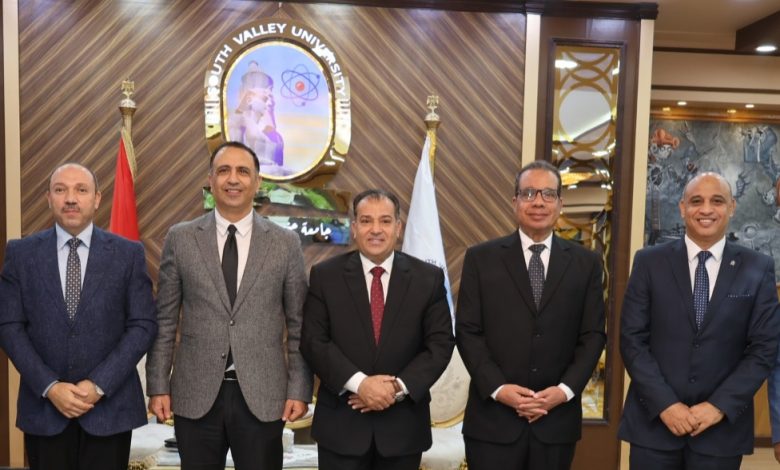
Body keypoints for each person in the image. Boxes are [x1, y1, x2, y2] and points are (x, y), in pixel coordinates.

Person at [145, 141, 312, 469]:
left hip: (264, 394)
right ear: (210, 179)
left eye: (242, 171)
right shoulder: (181, 238)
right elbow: (165, 320)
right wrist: (158, 385)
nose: (233, 179)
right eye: (224, 170)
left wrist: (299, 388)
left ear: (258, 182)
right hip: (195, 393)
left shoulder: (285, 242)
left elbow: (299, 324)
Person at [0, 163, 157, 470]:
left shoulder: (128, 254)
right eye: (60, 190)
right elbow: (8, 326)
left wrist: (98, 385)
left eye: (81, 190)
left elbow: (143, 325)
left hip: (109, 411)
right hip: (45, 411)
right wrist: (50, 386)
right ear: (48, 198)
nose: (70, 198)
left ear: (97, 199)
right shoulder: (21, 254)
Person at [619, 172, 780, 470]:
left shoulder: (758, 268)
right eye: (696, 201)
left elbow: (764, 349)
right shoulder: (648, 262)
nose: (706, 209)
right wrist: (666, 404)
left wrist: (718, 406)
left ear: (731, 207)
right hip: (654, 426)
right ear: (682, 208)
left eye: (717, 201)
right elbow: (632, 340)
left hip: (720, 433)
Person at [456, 160, 606, 470]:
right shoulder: (481, 259)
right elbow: (468, 332)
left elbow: (592, 336)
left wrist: (563, 391)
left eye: (548, 194)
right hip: (492, 421)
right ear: (515, 202)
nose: (538, 202)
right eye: (528, 193)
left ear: (560, 204)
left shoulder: (586, 263)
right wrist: (500, 389)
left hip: (556, 421)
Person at [301, 189, 454, 470]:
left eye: (385, 221)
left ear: (398, 228)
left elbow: (440, 345)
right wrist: (361, 384)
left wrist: (395, 388)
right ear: (354, 228)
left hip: (403, 428)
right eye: (366, 221)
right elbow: (314, 341)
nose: (375, 230)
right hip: (341, 427)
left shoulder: (428, 278)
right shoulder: (325, 276)